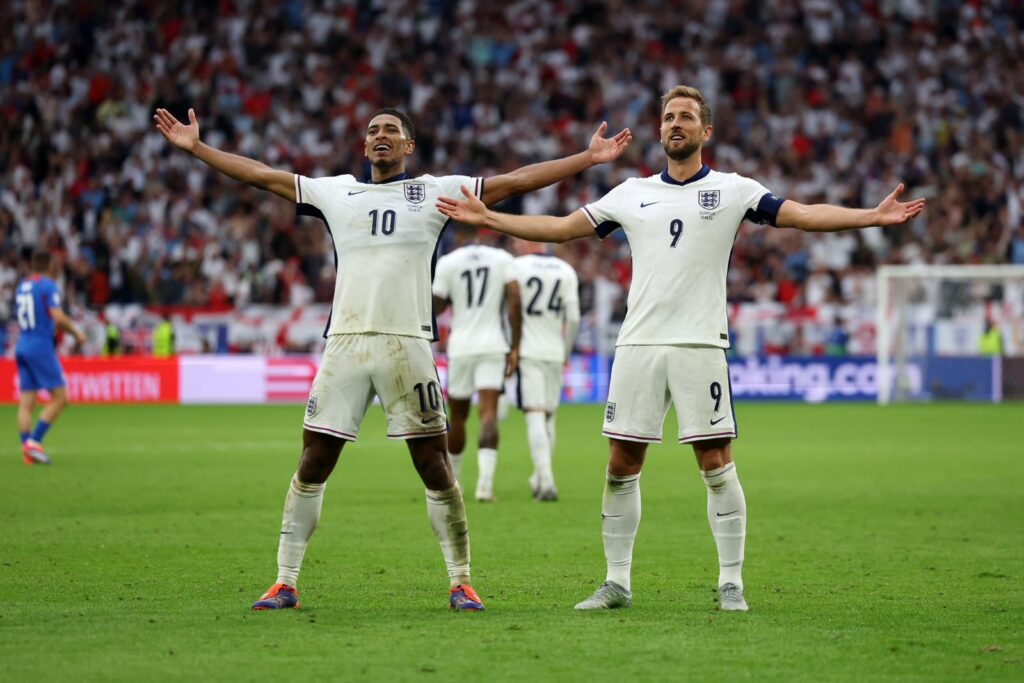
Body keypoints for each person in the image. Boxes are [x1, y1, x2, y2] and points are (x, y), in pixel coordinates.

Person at [437, 84, 925, 612]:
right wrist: (490, 219)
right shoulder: (630, 192)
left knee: (715, 461)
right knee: (621, 462)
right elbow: (559, 228)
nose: (676, 124)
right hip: (639, 344)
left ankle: (731, 581)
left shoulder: (735, 191)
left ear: (705, 131)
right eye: (668, 116)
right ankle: (616, 582)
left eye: (686, 117)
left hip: (699, 343)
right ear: (660, 128)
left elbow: (802, 214)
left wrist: (870, 216)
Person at [154, 105, 631, 611]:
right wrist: (199, 150)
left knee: (434, 464)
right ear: (364, 147)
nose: (380, 136)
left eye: (391, 131)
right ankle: (284, 581)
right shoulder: (337, 192)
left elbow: (512, 182)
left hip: (408, 345)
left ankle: (461, 580)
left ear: (408, 147)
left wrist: (586, 157)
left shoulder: (434, 191)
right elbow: (261, 175)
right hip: (346, 343)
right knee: (314, 459)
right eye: (373, 131)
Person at [432, 227, 520, 502]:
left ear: (458, 237)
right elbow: (515, 304)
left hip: (461, 347)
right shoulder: (502, 258)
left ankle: (454, 482)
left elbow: (436, 307)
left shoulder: (448, 262)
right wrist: (515, 345)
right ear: (479, 234)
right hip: (493, 344)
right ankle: (484, 486)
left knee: (457, 417)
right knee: (488, 414)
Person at [508, 239, 580, 501]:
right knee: (549, 415)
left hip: (528, 350)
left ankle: (547, 481)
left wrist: (511, 346)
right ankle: (540, 477)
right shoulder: (566, 270)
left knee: (535, 414)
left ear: (528, 242)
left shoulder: (515, 266)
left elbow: (510, 309)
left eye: (518, 240)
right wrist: (566, 350)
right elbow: (573, 318)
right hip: (554, 351)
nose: (515, 244)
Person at [14, 250, 87, 465]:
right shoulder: (47, 285)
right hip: (39, 346)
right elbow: (57, 315)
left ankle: (27, 453)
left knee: (27, 403)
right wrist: (77, 334)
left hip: (22, 344)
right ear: (49, 266)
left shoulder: (22, 286)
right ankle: (33, 443)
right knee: (61, 398)